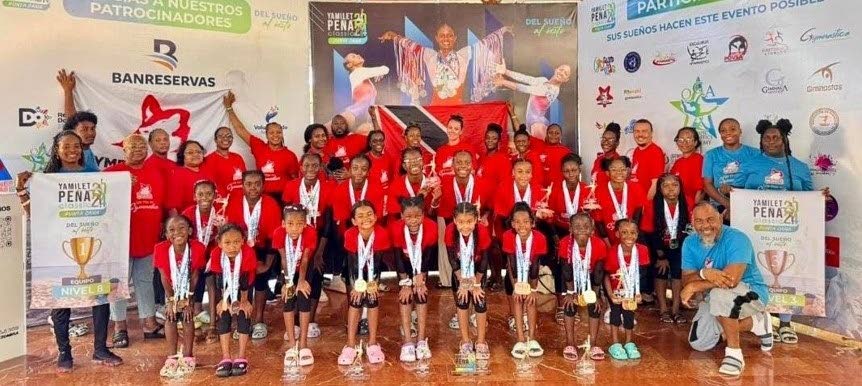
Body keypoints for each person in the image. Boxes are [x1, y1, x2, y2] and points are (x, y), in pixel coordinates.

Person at [16, 131, 122, 371]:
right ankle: (64, 352)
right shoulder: (47, 179)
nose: (73, 150)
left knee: (100, 297)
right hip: (59, 250)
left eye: (76, 145)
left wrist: (125, 187)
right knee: (60, 300)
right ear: (57, 150)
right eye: (66, 146)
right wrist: (22, 190)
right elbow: (36, 214)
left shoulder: (95, 177)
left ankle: (100, 349)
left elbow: (110, 208)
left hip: (94, 249)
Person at [737, 119, 828, 345]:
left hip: (788, 232)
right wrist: (727, 191)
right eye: (766, 138)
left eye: (775, 137)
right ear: (761, 141)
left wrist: (819, 197)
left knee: (787, 273)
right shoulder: (750, 164)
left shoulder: (799, 167)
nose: (771, 142)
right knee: (761, 273)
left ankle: (786, 322)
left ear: (785, 140)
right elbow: (735, 192)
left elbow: (809, 198)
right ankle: (764, 318)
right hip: (757, 231)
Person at [682, 203, 773, 376]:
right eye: (699, 221)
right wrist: (704, 273)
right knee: (699, 343)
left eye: (710, 219)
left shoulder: (737, 239)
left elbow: (731, 280)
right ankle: (757, 323)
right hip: (716, 297)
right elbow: (686, 277)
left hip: (752, 293)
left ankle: (734, 354)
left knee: (719, 294)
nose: (705, 226)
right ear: (693, 223)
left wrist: (695, 285)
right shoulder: (690, 242)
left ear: (721, 218)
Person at [104, 134, 165, 348]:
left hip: (148, 240)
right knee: (117, 285)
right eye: (133, 146)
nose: (138, 149)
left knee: (145, 282)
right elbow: (98, 199)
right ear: (124, 151)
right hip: (119, 242)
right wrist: (118, 185)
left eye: (142, 146)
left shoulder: (155, 173)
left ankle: (149, 323)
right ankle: (120, 328)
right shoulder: (111, 174)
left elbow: (161, 205)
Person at [379, 25, 510, 105]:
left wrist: (502, 31)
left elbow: (484, 44)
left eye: (449, 35)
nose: (446, 39)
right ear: (436, 38)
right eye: (442, 36)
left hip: (458, 109)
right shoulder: (429, 55)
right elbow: (410, 45)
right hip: (435, 108)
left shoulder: (463, 54)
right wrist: (393, 36)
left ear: (455, 38)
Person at [282, 153, 335, 337]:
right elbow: (286, 216)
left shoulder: (328, 187)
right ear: (301, 167)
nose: (311, 169)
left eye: (315, 165)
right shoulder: (291, 186)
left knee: (315, 278)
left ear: (320, 167)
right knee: (294, 278)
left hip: (319, 239)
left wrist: (319, 251)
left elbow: (328, 222)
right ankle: (295, 321)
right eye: (307, 166)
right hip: (294, 239)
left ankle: (311, 320)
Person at [224, 171, 281, 340]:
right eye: (248, 184)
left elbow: (274, 236)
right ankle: (244, 322)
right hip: (239, 251)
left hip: (262, 250)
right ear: (243, 185)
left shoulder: (270, 204)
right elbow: (230, 232)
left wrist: (267, 264)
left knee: (261, 283)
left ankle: (259, 321)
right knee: (243, 285)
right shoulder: (234, 203)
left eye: (257, 183)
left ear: (263, 185)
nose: (253, 187)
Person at [338, 201, 391, 366]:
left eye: (369, 214)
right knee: (355, 301)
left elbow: (378, 260)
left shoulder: (381, 234)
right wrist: (357, 286)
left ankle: (373, 343)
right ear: (354, 221)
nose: (365, 218)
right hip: (354, 271)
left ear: (375, 217)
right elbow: (352, 262)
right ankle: (350, 344)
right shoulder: (349, 234)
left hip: (373, 270)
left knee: (373, 300)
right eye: (360, 216)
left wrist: (372, 284)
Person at [154, 215, 206, 377]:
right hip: (170, 288)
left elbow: (196, 275)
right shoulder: (160, 249)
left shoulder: (198, 248)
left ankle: (189, 355)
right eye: (172, 230)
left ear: (190, 231)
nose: (177, 232)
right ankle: (172, 356)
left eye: (182, 228)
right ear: (166, 234)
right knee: (170, 316)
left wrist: (189, 299)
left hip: (189, 288)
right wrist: (170, 300)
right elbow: (163, 276)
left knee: (187, 316)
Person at [224, 91, 299, 200]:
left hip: (283, 197)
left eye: (278, 132)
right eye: (271, 133)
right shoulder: (259, 147)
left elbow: (295, 180)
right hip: (261, 196)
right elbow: (240, 130)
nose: (275, 135)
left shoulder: (290, 155)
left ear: (282, 134)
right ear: (267, 135)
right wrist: (229, 109)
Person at [391, 197, 438, 362]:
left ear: (424, 214)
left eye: (417, 216)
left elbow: (428, 256)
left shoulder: (431, 227)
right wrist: (404, 283)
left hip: (421, 265)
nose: (413, 220)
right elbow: (397, 257)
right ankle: (407, 343)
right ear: (402, 215)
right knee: (405, 296)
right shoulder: (396, 228)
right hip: (404, 264)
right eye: (408, 217)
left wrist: (422, 278)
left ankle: (421, 340)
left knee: (421, 293)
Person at [272, 204, 318, 366]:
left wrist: (301, 281)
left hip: (305, 269)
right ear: (283, 223)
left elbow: (305, 258)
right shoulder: (278, 233)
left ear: (305, 223)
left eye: (299, 223)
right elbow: (284, 259)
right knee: (288, 299)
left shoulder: (310, 232)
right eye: (290, 223)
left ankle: (304, 345)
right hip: (288, 270)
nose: (294, 228)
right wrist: (288, 282)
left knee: (304, 296)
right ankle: (292, 345)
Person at [446, 202, 493, 360]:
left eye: (469, 222)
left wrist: (477, 284)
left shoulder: (482, 232)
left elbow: (485, 260)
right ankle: (465, 341)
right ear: (454, 220)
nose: (465, 226)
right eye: (460, 222)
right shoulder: (450, 231)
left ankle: (480, 341)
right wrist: (463, 283)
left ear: (476, 220)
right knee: (462, 300)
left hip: (478, 271)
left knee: (480, 300)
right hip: (460, 272)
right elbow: (452, 259)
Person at [209, 224, 257, 378]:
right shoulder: (216, 253)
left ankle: (242, 356)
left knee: (244, 315)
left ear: (243, 241)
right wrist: (223, 301)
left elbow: (245, 279)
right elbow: (219, 279)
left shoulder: (248, 253)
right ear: (219, 242)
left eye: (236, 242)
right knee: (223, 315)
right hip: (226, 288)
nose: (232, 247)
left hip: (244, 287)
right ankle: (225, 357)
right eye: (227, 243)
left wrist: (244, 301)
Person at [559, 213, 608, 361]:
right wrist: (570, 292)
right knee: (569, 304)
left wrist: (596, 294)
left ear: (592, 229)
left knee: (594, 306)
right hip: (570, 279)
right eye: (577, 227)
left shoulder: (599, 244)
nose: (582, 230)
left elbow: (599, 271)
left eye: (586, 227)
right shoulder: (565, 243)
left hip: (592, 278)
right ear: (570, 228)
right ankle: (570, 343)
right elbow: (566, 269)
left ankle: (593, 344)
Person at [503, 202, 548, 359]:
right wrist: (516, 286)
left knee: (531, 299)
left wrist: (533, 289)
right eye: (518, 222)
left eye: (526, 221)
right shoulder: (508, 236)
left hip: (530, 271)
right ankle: (520, 339)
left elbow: (535, 264)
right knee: (518, 299)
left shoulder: (540, 238)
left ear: (533, 222)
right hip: (514, 273)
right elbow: (511, 263)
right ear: (512, 223)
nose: (522, 225)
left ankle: (532, 338)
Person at [603, 219, 650, 361]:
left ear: (637, 234)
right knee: (615, 315)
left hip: (631, 291)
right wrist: (610, 294)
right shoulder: (612, 252)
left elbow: (643, 273)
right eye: (624, 232)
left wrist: (638, 293)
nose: (629, 236)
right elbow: (606, 275)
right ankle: (615, 343)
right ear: (617, 234)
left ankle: (629, 342)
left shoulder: (642, 250)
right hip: (615, 291)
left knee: (629, 315)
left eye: (633, 233)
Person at [181, 180, 221, 339]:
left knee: (212, 284)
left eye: (209, 194)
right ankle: (188, 319)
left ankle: (213, 325)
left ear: (215, 196)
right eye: (200, 194)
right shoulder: (188, 213)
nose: (205, 197)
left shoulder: (220, 212)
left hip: (212, 255)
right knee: (191, 283)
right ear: (194, 196)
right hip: (193, 255)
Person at [648, 174, 690, 324]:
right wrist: (660, 256)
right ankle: (664, 309)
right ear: (660, 188)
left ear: (680, 188)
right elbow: (650, 231)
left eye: (675, 185)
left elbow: (690, 228)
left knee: (678, 274)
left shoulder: (687, 203)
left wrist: (684, 248)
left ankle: (676, 310)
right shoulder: (652, 205)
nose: (671, 188)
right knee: (661, 273)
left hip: (681, 247)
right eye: (666, 185)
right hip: (659, 248)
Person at [493, 64, 572, 139]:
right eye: (561, 69)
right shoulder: (543, 80)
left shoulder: (553, 91)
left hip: (538, 125)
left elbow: (525, 89)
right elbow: (526, 78)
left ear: (566, 79)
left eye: (565, 73)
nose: (562, 73)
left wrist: (503, 82)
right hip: (532, 122)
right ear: (556, 69)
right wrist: (505, 71)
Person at [701, 118, 758, 220]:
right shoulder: (711, 155)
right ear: (720, 134)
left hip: (747, 201)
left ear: (740, 131)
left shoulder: (754, 153)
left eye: (732, 129)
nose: (728, 133)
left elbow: (758, 180)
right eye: (723, 131)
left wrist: (739, 200)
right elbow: (707, 184)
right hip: (720, 202)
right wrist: (727, 204)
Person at [476, 123, 510, 290]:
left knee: (495, 244)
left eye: (494, 138)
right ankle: (493, 275)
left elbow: (503, 186)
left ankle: (499, 279)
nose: (490, 140)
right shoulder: (482, 158)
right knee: (486, 244)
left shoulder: (502, 159)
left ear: (499, 141)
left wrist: (491, 210)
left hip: (495, 209)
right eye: (488, 137)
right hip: (481, 208)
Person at [595, 157, 646, 245]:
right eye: (614, 169)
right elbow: (599, 221)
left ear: (627, 171)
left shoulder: (636, 187)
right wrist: (608, 245)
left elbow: (638, 215)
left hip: (631, 237)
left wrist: (632, 239)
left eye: (622, 169)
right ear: (607, 173)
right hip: (608, 238)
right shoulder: (598, 191)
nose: (619, 172)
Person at [57, 69, 100, 171]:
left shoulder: (86, 151)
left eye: (93, 129)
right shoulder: (72, 157)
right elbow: (71, 119)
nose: (90, 133)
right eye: (84, 129)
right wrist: (68, 91)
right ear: (72, 132)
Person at [339, 53, 389, 135]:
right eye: (353, 56)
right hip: (357, 114)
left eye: (356, 54)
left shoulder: (360, 76)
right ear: (349, 65)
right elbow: (385, 69)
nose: (358, 55)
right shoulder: (358, 72)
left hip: (362, 117)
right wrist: (379, 73)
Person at [387, 147, 441, 219]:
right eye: (409, 161)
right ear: (404, 166)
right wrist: (418, 199)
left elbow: (432, 216)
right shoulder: (395, 186)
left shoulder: (432, 184)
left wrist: (435, 203)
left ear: (423, 162)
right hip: (405, 227)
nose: (414, 163)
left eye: (418, 160)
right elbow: (398, 218)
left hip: (426, 225)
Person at [167, 140, 216, 214]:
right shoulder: (178, 174)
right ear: (182, 156)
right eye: (190, 152)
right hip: (189, 221)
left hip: (211, 219)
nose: (195, 155)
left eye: (198, 152)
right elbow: (172, 208)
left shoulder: (208, 172)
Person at [629, 119, 666, 200]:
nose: (640, 134)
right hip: (635, 202)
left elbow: (655, 184)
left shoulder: (655, 152)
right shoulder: (636, 151)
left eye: (644, 131)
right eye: (637, 131)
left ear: (651, 133)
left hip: (646, 205)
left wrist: (645, 205)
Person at [204, 126, 247, 195]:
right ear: (215, 140)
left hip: (240, 200)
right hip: (222, 203)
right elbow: (207, 186)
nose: (225, 138)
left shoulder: (238, 157)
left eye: (229, 136)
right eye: (221, 136)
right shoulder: (208, 160)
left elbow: (245, 180)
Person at [669, 127, 704, 209]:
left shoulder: (699, 159)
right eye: (681, 140)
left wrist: (694, 208)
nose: (684, 142)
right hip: (678, 206)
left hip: (692, 207)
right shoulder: (678, 162)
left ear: (695, 142)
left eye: (688, 139)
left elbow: (701, 189)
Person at [365, 130, 398, 194]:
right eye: (374, 141)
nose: (378, 143)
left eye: (381, 140)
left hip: (388, 195)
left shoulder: (388, 156)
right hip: (372, 196)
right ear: (370, 144)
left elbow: (391, 178)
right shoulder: (365, 159)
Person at [591, 122, 621, 187]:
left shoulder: (619, 163)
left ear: (617, 143)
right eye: (604, 139)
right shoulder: (598, 159)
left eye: (610, 140)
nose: (606, 142)